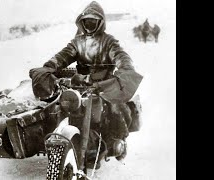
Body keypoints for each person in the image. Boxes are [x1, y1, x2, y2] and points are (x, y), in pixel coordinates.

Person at [30, 1, 143, 164]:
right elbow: (63, 56)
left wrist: (125, 67)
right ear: (82, 23)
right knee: (60, 107)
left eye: (93, 21)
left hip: (103, 85)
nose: (89, 25)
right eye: (86, 21)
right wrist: (50, 66)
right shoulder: (77, 42)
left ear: (100, 22)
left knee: (117, 108)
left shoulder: (109, 41)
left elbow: (120, 55)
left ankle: (118, 143)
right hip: (80, 85)